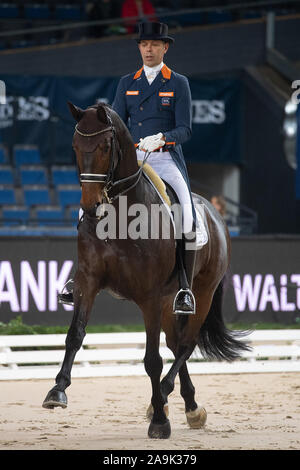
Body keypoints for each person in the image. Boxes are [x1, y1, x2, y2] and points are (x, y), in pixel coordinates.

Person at [58, 21, 197, 315]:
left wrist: (163, 139)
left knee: (186, 212)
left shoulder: (177, 82)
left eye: (154, 45)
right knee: (85, 210)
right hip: (131, 159)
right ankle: (76, 278)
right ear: (139, 48)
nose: (149, 49)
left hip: (165, 158)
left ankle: (184, 288)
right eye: (144, 45)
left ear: (165, 48)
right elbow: (115, 126)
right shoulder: (127, 82)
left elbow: (185, 129)